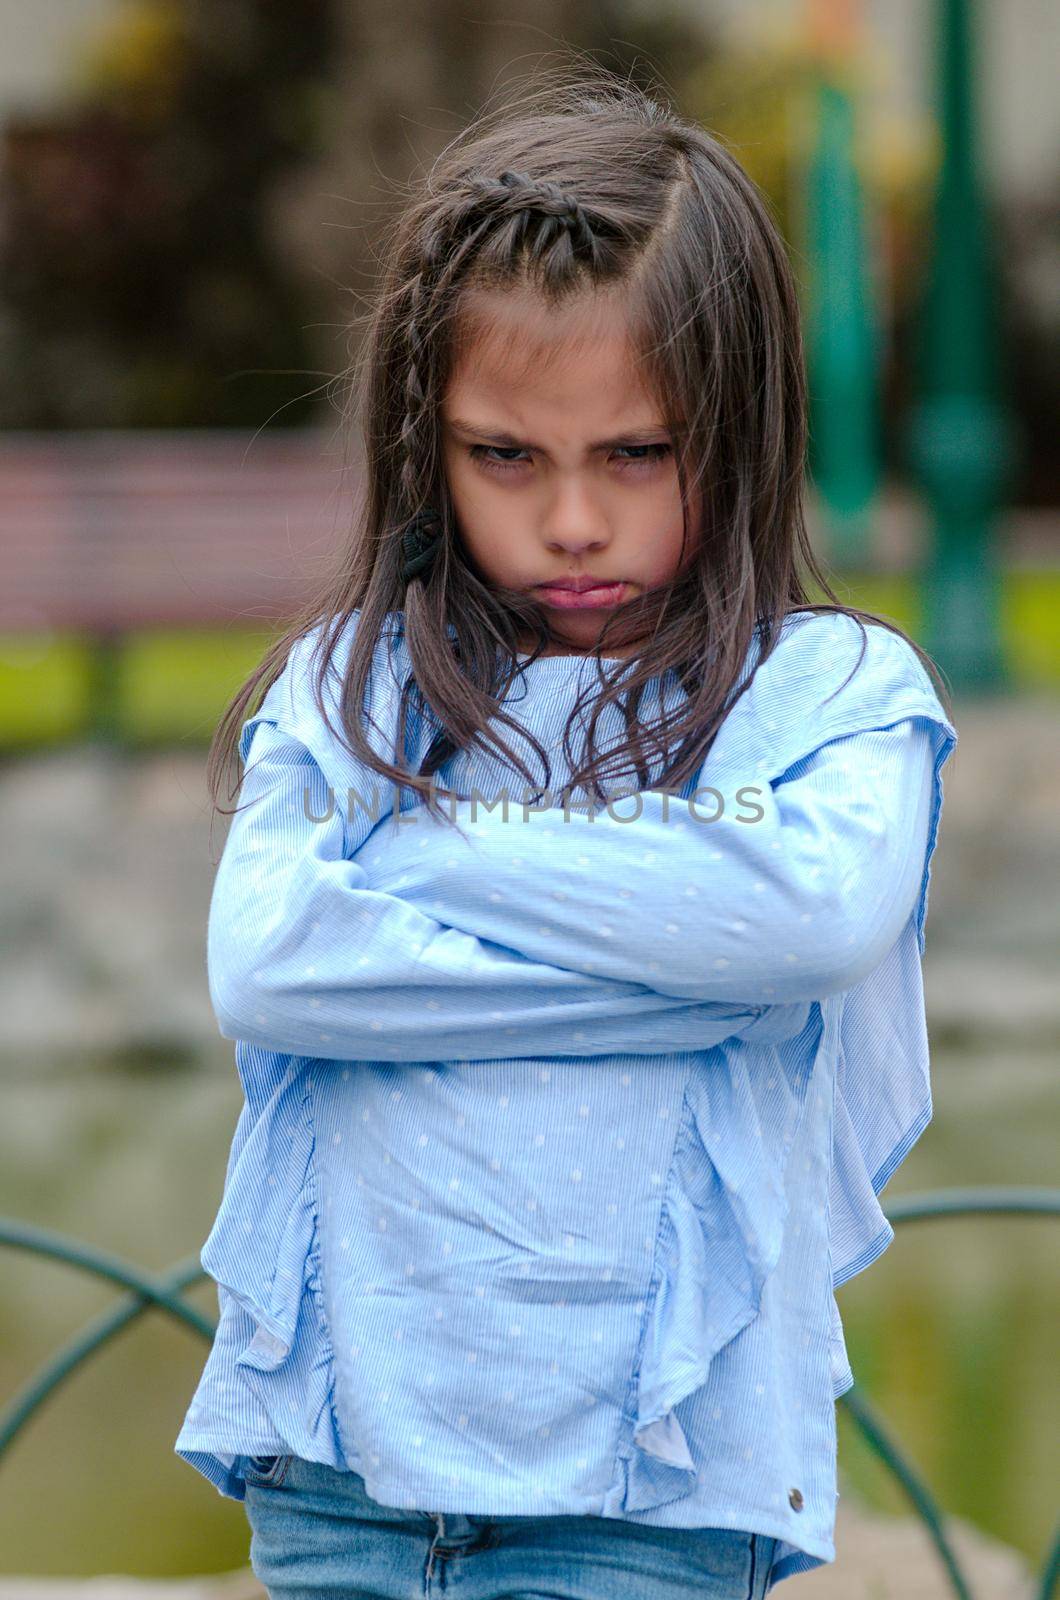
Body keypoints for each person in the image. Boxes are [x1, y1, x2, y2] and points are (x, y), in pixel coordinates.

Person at [175, 69, 958, 1600]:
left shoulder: (831, 695)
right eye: (508, 456)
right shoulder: (357, 685)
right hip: (341, 1470)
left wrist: (414, 849)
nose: (576, 522)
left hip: (654, 1492)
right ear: (427, 441)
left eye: (639, 453)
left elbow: (803, 924)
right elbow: (272, 969)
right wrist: (696, 975)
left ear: (738, 424)